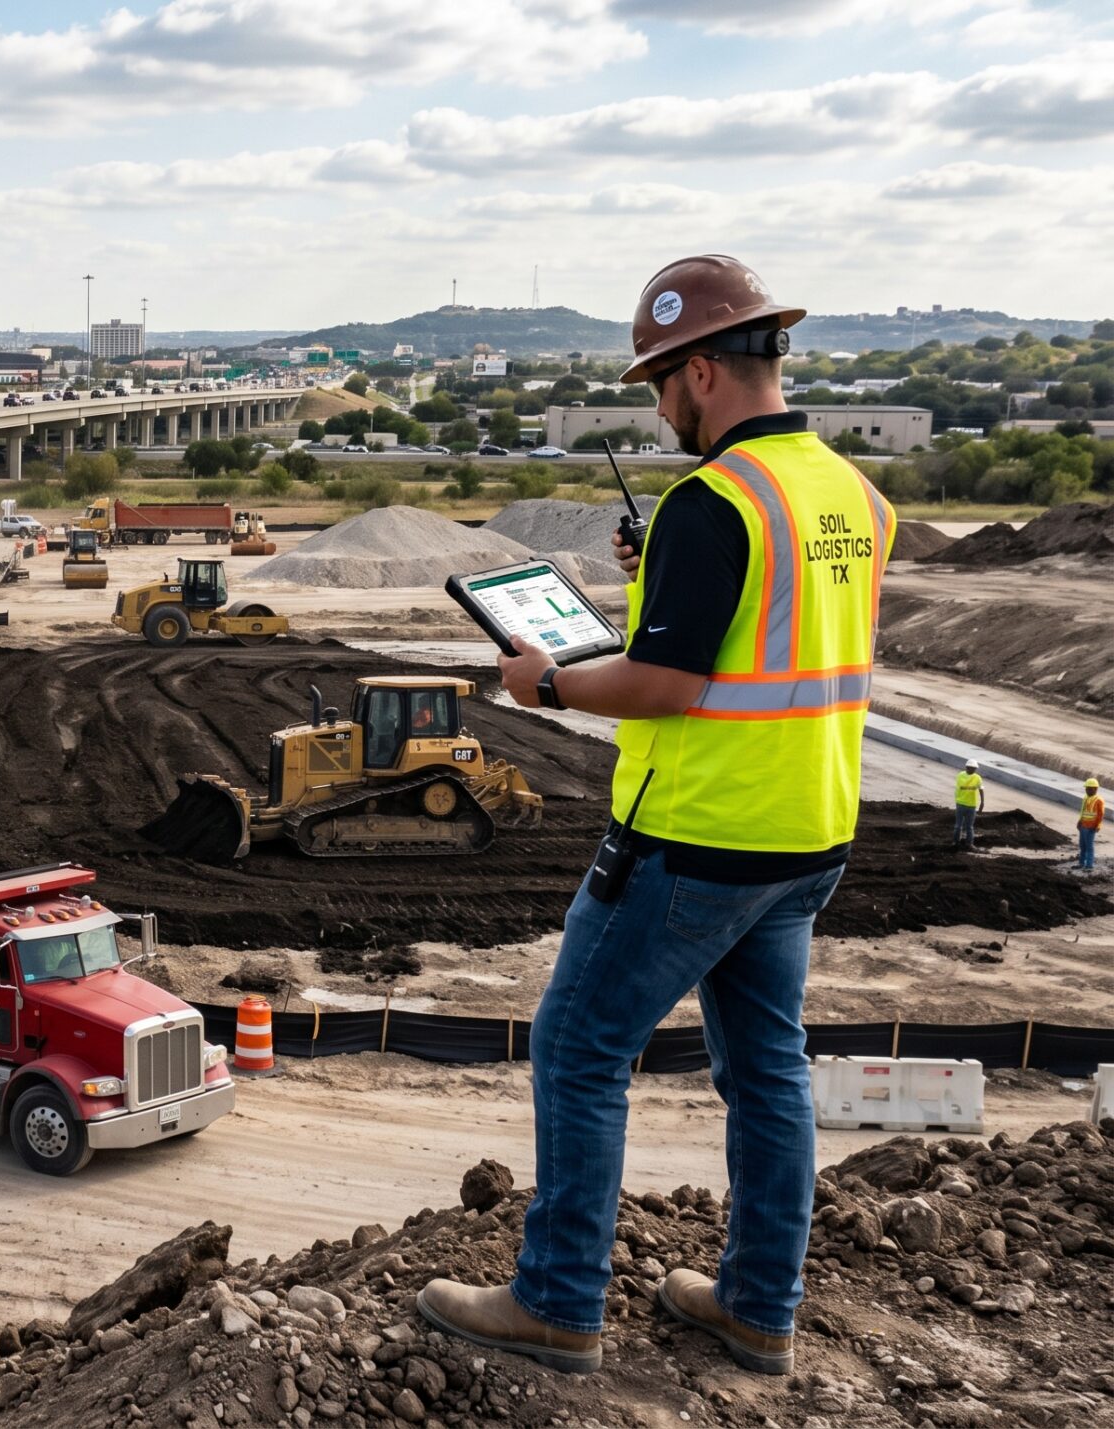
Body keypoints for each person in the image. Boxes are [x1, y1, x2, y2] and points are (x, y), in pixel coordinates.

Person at [417, 255, 893, 1378]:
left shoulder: (714, 499)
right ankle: (755, 1306)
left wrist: (543, 684)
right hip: (808, 830)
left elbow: (667, 688)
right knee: (766, 1070)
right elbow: (791, 609)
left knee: (579, 1050)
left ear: (699, 371)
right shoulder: (851, 493)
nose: (658, 409)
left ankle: (556, 1299)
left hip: (695, 835)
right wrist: (666, 581)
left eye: (656, 385)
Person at [955, 761, 984, 849]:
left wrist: (982, 802)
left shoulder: (978, 778)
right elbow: (963, 787)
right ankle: (956, 842)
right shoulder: (960, 775)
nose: (974, 770)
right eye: (972, 768)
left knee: (969, 826)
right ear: (967, 767)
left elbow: (981, 789)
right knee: (958, 826)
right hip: (961, 803)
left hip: (972, 805)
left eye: (975, 769)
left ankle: (969, 843)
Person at [1080, 777, 1103, 873]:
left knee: (1089, 847)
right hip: (1083, 826)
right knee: (1082, 846)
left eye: (1089, 788)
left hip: (1091, 827)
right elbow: (1082, 811)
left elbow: (1100, 814)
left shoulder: (1099, 800)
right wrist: (1079, 821)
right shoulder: (1085, 798)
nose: (1087, 790)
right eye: (1086, 788)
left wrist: (1098, 826)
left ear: (1095, 789)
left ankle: (1089, 865)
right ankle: (1081, 863)